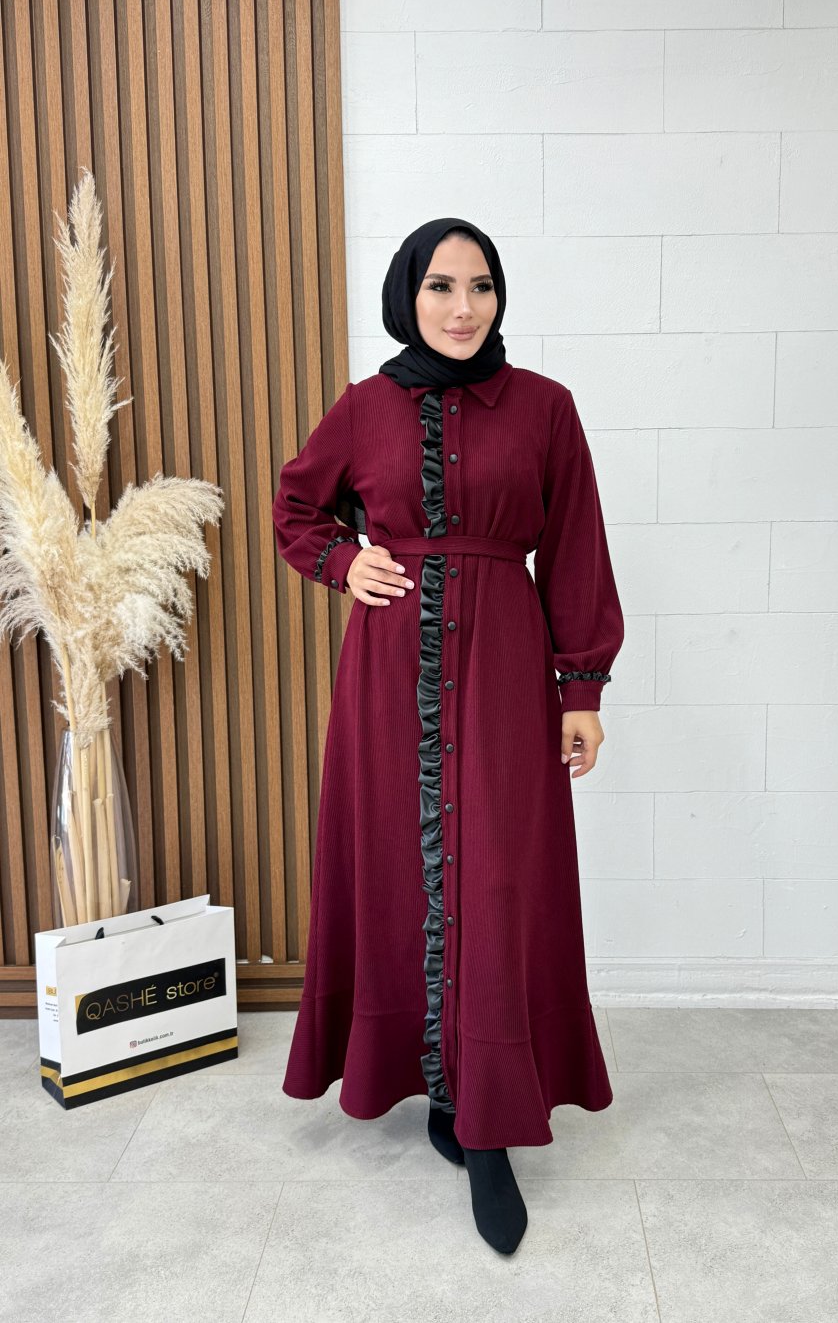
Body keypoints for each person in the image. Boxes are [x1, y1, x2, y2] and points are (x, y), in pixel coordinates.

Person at [271, 217, 625, 1256]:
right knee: (400, 871)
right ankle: (435, 1088)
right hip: (389, 680)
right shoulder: (365, 407)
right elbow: (297, 507)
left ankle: (487, 1116)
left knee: (500, 881)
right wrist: (345, 562)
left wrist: (581, 688)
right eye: (440, 286)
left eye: (480, 286)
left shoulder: (546, 408)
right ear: (407, 296)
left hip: (508, 672)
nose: (462, 306)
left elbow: (575, 548)